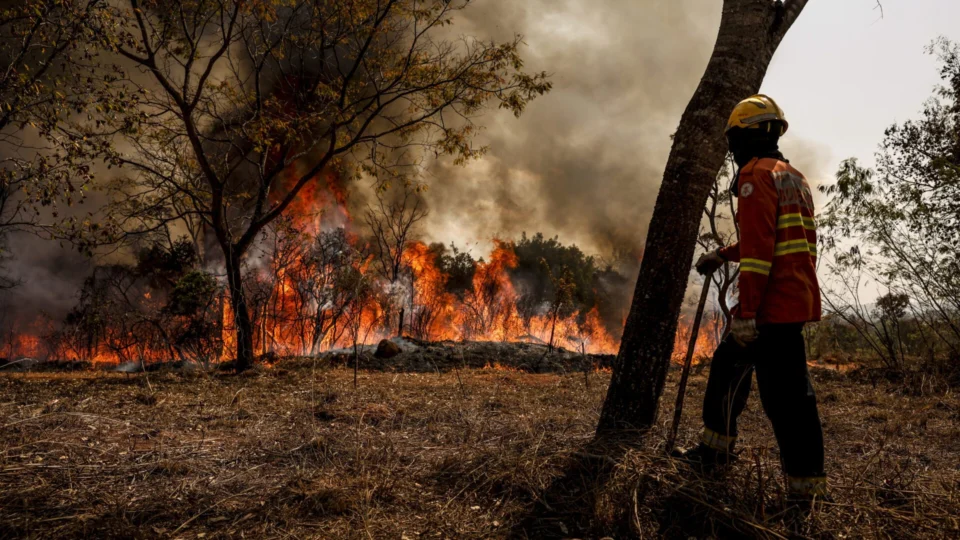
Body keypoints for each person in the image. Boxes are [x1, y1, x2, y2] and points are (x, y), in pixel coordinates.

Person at [682, 94, 826, 504]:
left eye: (733, 138)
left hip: (769, 308)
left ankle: (801, 488)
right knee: (736, 374)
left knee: (782, 398)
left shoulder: (754, 175)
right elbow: (774, 238)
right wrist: (722, 254)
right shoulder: (792, 176)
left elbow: (761, 253)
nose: (732, 148)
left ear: (744, 136)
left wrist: (746, 314)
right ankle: (721, 454)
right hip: (793, 300)